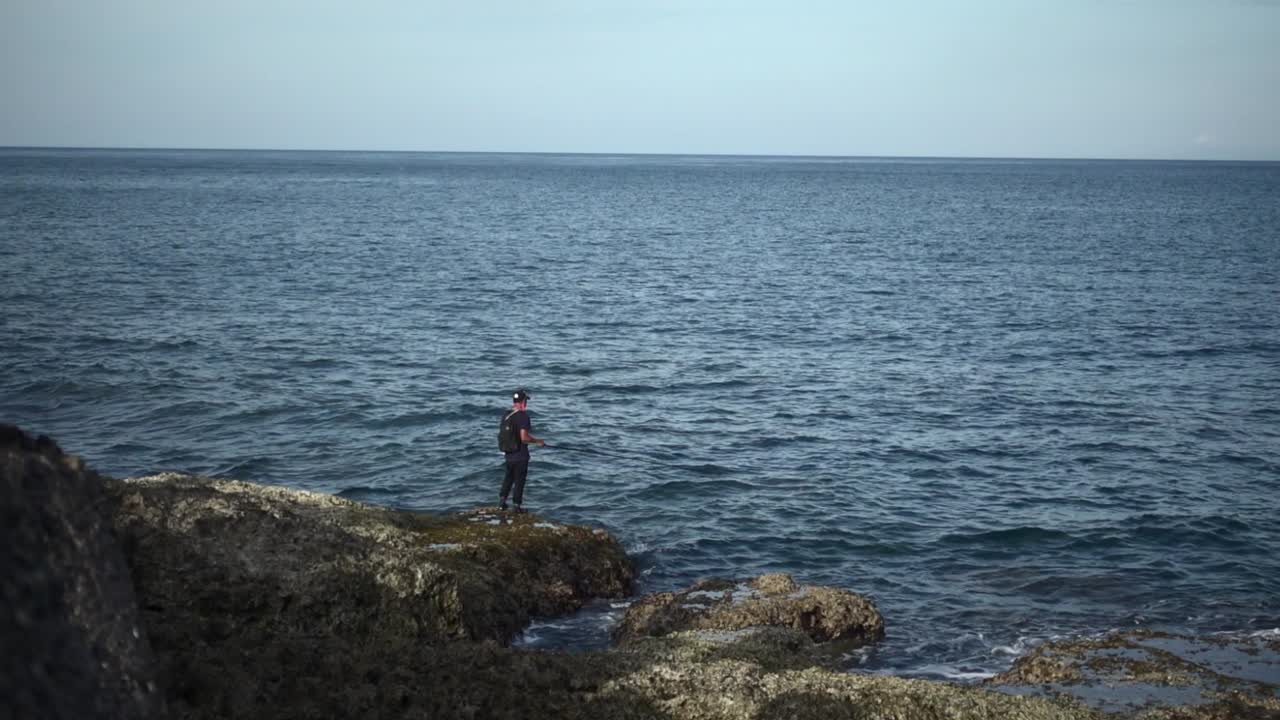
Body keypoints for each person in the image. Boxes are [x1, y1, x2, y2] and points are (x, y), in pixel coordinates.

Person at [499, 388, 545, 512]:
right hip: (520, 455)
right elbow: (524, 438)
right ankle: (516, 506)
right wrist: (538, 441)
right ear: (523, 401)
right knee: (519, 480)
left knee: (508, 477)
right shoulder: (523, 417)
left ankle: (502, 502)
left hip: (508, 453)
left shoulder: (506, 415)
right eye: (526, 401)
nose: (526, 403)